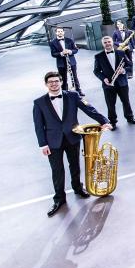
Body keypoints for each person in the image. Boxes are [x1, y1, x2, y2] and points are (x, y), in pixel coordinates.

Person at [33, 71, 111, 217]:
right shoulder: (39, 102)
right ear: (46, 84)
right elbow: (38, 125)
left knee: (75, 165)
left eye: (56, 81)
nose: (54, 84)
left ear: (61, 82)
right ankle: (59, 199)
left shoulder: (73, 95)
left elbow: (89, 109)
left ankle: (78, 188)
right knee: (57, 170)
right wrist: (42, 144)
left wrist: (104, 121)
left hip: (72, 137)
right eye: (51, 82)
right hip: (53, 142)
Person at [93, 36, 135, 129]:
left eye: (109, 42)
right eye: (105, 42)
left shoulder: (121, 53)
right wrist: (103, 79)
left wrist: (124, 70)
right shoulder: (98, 56)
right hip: (108, 84)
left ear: (112, 42)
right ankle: (112, 122)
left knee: (126, 101)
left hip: (122, 82)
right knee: (110, 104)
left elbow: (130, 65)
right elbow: (96, 71)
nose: (107, 44)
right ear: (103, 44)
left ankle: (130, 118)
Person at [50, 27, 84, 95]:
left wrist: (70, 51)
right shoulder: (53, 42)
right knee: (63, 78)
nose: (60, 33)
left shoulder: (70, 40)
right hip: (61, 63)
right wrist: (61, 53)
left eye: (61, 31)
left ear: (63, 32)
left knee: (75, 77)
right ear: (56, 33)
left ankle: (78, 91)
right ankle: (65, 92)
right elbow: (53, 54)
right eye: (58, 31)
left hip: (71, 62)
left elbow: (75, 50)